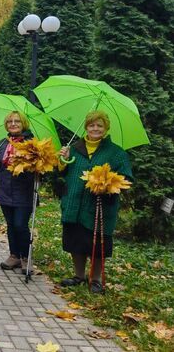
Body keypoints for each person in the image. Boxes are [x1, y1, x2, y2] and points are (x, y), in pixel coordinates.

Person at [57, 111, 132, 293]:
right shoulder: (73, 148)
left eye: (99, 125)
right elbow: (62, 172)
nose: (95, 128)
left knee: (97, 243)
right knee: (76, 240)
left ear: (106, 128)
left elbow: (126, 178)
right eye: (92, 125)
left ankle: (96, 279)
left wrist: (107, 185)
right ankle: (79, 275)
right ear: (86, 127)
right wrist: (62, 160)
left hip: (101, 207)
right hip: (74, 203)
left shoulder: (116, 153)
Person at [0, 111, 35, 273]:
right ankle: (14, 256)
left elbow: (39, 169)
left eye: (17, 122)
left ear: (23, 124)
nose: (13, 124)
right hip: (5, 190)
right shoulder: (3, 143)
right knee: (11, 225)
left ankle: (26, 258)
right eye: (10, 122)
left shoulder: (32, 143)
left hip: (24, 191)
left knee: (21, 225)